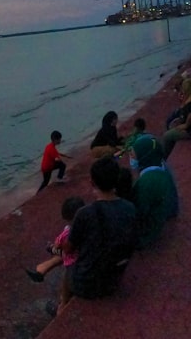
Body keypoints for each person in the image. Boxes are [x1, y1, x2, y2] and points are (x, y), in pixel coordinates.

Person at [56, 157, 137, 314]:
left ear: (92, 182)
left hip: (87, 284)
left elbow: (68, 250)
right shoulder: (130, 208)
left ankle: (62, 307)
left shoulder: (84, 213)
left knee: (68, 266)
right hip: (114, 279)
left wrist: (62, 241)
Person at [25, 195, 85, 290]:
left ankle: (63, 301)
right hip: (81, 252)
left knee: (61, 253)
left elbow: (60, 247)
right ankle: (41, 269)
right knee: (65, 252)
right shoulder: (91, 223)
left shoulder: (69, 232)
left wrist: (54, 248)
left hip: (75, 259)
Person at [131, 134, 179, 248]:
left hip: (149, 233)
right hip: (167, 212)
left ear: (143, 155)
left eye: (132, 155)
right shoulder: (160, 165)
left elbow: (140, 212)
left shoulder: (147, 181)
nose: (131, 158)